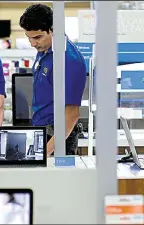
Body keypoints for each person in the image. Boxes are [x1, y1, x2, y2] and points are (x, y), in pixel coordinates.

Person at [19, 4, 87, 156]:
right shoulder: (45, 50)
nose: (32, 43)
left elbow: (72, 115)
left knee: (57, 179)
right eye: (29, 38)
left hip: (58, 137)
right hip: (40, 131)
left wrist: (45, 152)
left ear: (53, 29)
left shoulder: (69, 60)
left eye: (37, 37)